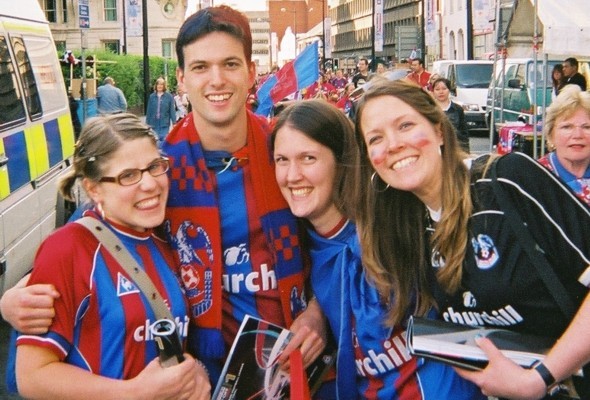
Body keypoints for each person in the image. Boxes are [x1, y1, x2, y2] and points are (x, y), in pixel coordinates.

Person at [1, 6, 328, 391]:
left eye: (230, 64)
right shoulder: (159, 170)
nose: (217, 80)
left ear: (252, 73)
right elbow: (90, 235)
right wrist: (13, 296)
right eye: (201, 67)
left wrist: (318, 314)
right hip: (202, 375)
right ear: (182, 79)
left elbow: (340, 243)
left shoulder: (285, 153)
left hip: (293, 366)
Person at [353, 79, 590, 399]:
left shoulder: (506, 179)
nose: (393, 144)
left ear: (439, 131)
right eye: (376, 139)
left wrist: (538, 379)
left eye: (405, 125)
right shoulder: (408, 230)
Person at [271, 98, 485, 399]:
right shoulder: (296, 248)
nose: (292, 175)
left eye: (308, 158)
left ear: (342, 160)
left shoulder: (397, 218)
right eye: (282, 160)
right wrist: (316, 309)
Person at [15, 113, 209, 399]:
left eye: (155, 166)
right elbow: (32, 376)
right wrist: (131, 393)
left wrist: (196, 375)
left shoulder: (165, 239)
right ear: (94, 189)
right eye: (128, 176)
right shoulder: (68, 247)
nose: (151, 184)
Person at [538, 84, 590, 206]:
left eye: (587, 127)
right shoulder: (534, 177)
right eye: (567, 127)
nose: (577, 135)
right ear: (551, 134)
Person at [432, 77, 470, 152]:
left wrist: (465, 152)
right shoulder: (429, 109)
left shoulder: (458, 109)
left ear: (449, 90)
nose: (441, 92)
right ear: (433, 91)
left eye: (444, 88)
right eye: (437, 89)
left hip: (454, 149)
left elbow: (463, 133)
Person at [146, 77, 176, 143]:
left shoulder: (169, 96)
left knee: (163, 141)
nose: (159, 86)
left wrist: (174, 122)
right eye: (158, 84)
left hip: (164, 124)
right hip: (153, 123)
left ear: (164, 86)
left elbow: (172, 110)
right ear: (156, 86)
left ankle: (161, 153)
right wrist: (147, 123)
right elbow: (149, 110)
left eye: (161, 84)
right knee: (155, 141)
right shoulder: (152, 96)